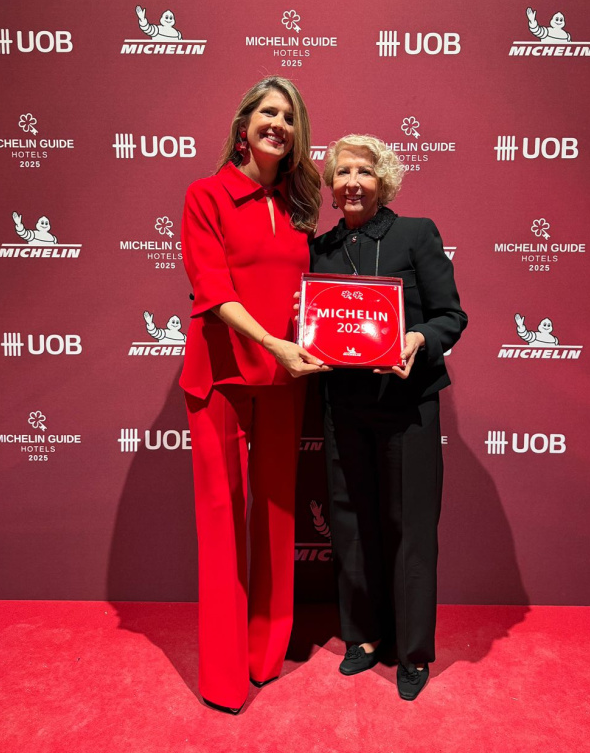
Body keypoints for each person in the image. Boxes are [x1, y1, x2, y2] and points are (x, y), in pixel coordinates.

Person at [180, 77, 327, 713]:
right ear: (244, 124)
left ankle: (266, 657)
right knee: (221, 528)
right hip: (220, 380)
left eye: (289, 119)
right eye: (269, 113)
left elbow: (309, 300)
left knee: (277, 520)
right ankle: (222, 677)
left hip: (284, 382)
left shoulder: (297, 209)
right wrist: (273, 343)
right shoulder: (205, 194)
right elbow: (211, 292)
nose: (279, 125)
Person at [310, 134, 467, 701]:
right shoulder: (320, 249)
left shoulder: (416, 233)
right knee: (350, 523)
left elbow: (451, 316)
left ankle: (413, 651)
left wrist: (417, 338)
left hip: (408, 407)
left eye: (365, 172)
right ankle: (363, 637)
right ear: (330, 185)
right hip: (343, 408)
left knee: (412, 529)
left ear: (385, 181)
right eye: (342, 171)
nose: (352, 181)